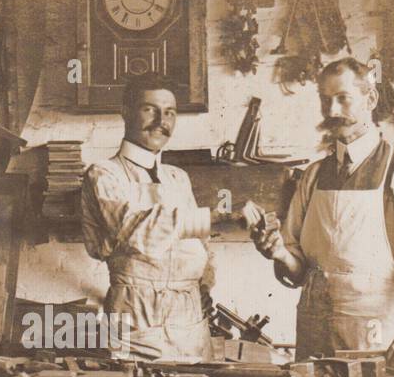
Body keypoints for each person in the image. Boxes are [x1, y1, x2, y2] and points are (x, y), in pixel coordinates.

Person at [252, 57, 394, 365]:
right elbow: (298, 266)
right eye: (325, 100)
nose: (332, 111)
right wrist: (278, 252)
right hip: (314, 329)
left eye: (343, 99)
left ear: (370, 99)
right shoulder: (313, 175)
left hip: (377, 332)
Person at [81, 73, 265, 362]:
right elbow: (132, 227)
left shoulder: (178, 178)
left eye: (169, 112)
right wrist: (218, 216)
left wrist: (204, 285)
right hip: (136, 319)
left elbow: (200, 244)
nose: (161, 121)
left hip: (190, 324)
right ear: (125, 112)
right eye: (149, 109)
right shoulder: (104, 174)